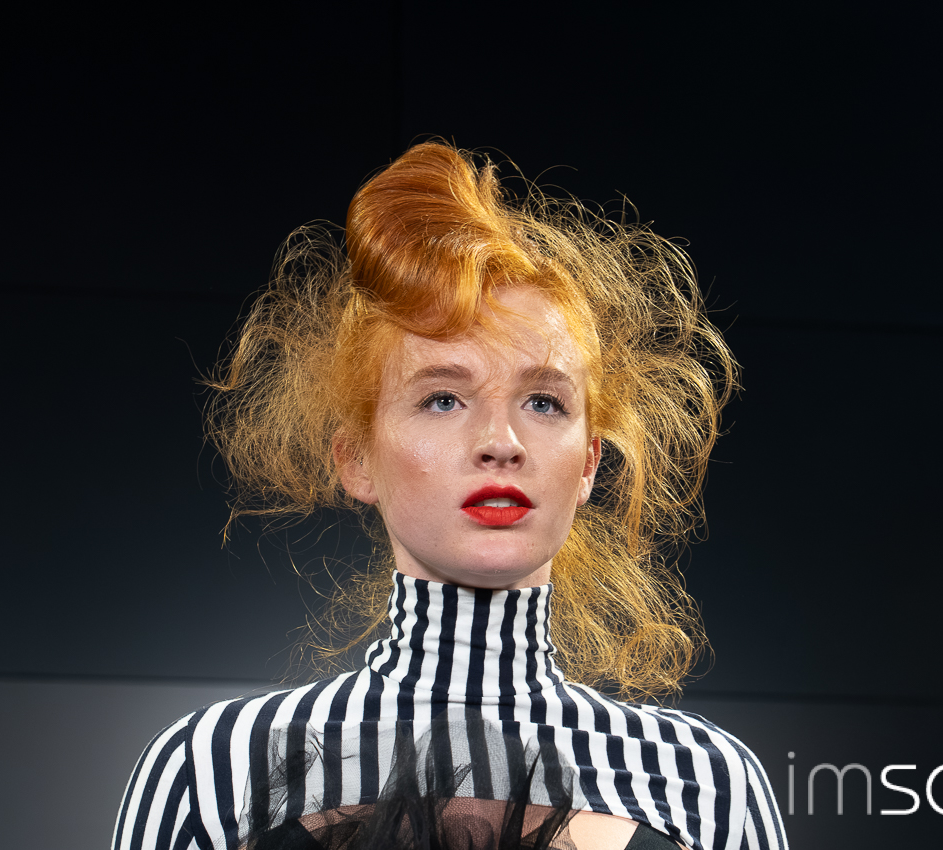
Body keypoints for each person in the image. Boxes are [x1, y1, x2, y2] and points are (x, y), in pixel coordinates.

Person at [112, 142, 787, 850]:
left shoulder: (707, 784)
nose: (500, 442)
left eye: (544, 402)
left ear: (590, 463)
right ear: (356, 459)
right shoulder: (212, 770)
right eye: (442, 398)